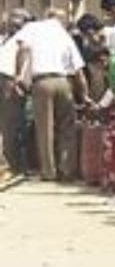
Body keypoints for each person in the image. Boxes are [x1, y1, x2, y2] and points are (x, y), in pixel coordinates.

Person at [12, 9, 87, 181]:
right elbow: (78, 70)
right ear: (61, 20)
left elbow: (23, 48)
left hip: (42, 82)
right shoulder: (64, 34)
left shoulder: (32, 27)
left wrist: (20, 76)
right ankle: (67, 170)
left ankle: (49, 172)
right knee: (67, 127)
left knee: (44, 129)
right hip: (63, 81)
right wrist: (84, 95)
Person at [0, 10, 31, 184]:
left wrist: (19, 83)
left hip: (10, 82)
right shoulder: (6, 40)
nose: (12, 26)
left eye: (16, 23)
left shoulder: (23, 42)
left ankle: (16, 166)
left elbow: (24, 63)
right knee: (6, 126)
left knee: (12, 125)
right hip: (3, 80)